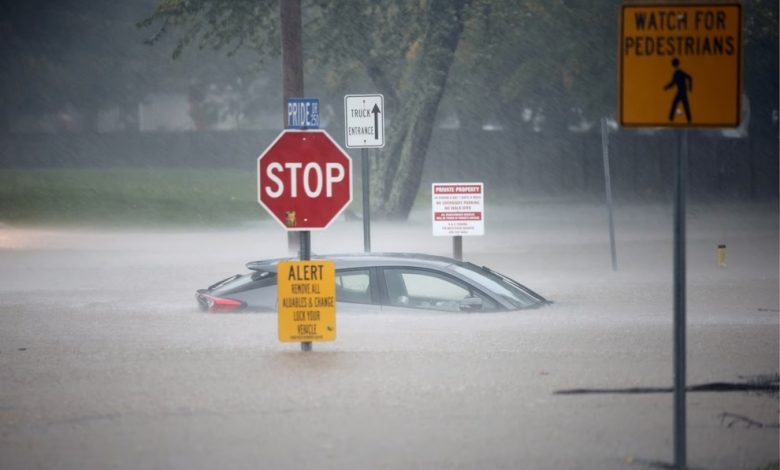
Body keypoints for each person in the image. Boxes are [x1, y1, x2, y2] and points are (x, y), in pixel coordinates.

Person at [664, 58, 693, 123]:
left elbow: (690, 77)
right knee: (683, 104)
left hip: (682, 91)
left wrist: (690, 87)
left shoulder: (679, 72)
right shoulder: (676, 73)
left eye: (672, 63)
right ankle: (688, 119)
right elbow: (673, 83)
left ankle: (671, 119)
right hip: (681, 91)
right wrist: (667, 87)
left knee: (678, 104)